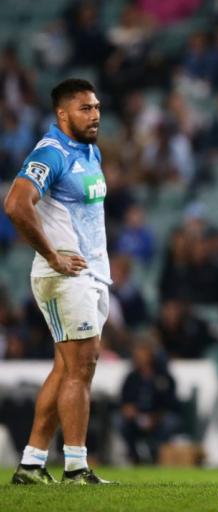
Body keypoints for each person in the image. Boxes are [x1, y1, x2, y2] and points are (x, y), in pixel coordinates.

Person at [4, 79, 114, 485]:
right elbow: (16, 204)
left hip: (91, 274)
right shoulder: (50, 153)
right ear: (62, 114)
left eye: (97, 107)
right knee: (81, 369)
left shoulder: (89, 150)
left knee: (66, 368)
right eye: (85, 108)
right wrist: (52, 254)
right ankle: (76, 466)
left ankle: (32, 463)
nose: (96, 115)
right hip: (64, 276)